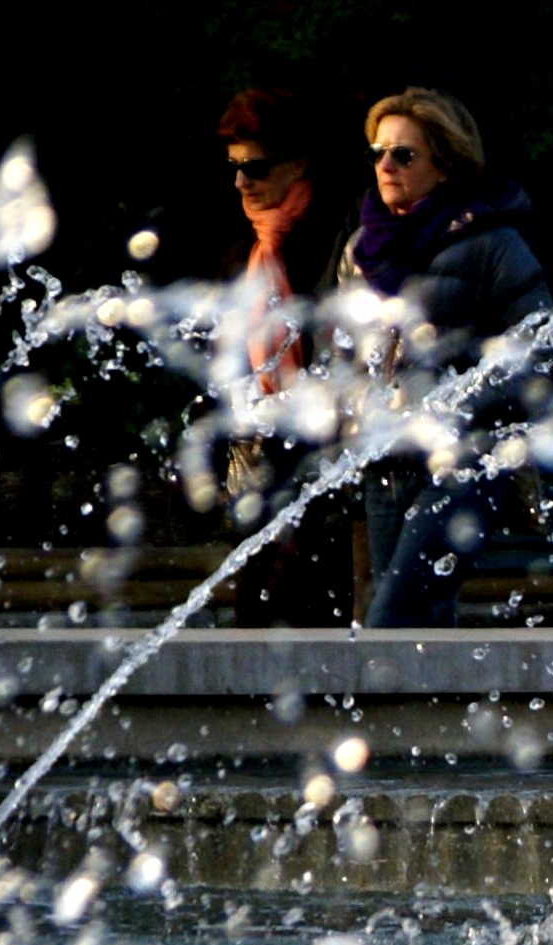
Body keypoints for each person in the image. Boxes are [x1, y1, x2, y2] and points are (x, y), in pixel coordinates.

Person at [327, 87, 553, 628]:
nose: (385, 165)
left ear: (446, 165)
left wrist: (456, 405)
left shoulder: (494, 242)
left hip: (464, 460)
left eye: (403, 155)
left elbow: (541, 356)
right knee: (419, 626)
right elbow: (335, 348)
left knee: (393, 617)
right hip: (384, 462)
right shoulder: (363, 247)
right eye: (378, 153)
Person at [215, 87, 350, 625]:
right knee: (254, 602)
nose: (240, 181)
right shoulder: (240, 251)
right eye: (235, 167)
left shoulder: (342, 235)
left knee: (316, 598)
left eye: (255, 167)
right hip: (255, 449)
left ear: (297, 165)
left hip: (325, 448)